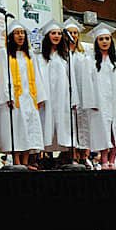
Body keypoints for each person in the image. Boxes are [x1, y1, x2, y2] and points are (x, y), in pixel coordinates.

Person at [0, 19, 47, 168]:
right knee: (16, 130)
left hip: (29, 97)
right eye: (17, 33)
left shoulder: (29, 54)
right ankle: (17, 161)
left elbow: (37, 76)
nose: (20, 36)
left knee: (29, 129)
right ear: (11, 36)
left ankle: (26, 161)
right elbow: (3, 76)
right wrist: (8, 95)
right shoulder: (4, 54)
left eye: (22, 33)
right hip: (15, 99)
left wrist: (40, 96)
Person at [80, 22, 116, 170]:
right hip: (99, 101)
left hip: (115, 100)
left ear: (111, 40)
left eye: (107, 38)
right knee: (102, 130)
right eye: (101, 39)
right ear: (96, 42)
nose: (104, 41)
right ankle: (103, 160)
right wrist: (91, 102)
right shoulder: (90, 60)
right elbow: (87, 82)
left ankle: (112, 160)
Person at [37, 19, 79, 156]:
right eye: (53, 33)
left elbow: (72, 79)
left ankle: (68, 157)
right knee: (45, 126)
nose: (56, 36)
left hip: (63, 97)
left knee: (64, 128)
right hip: (47, 97)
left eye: (59, 33)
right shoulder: (39, 57)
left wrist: (74, 100)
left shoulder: (66, 56)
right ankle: (42, 156)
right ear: (47, 36)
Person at [64, 17, 89, 163]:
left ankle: (84, 155)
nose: (73, 35)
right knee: (70, 125)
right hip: (67, 95)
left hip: (82, 94)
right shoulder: (63, 55)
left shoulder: (83, 55)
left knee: (83, 124)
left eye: (75, 33)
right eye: (70, 33)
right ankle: (71, 154)